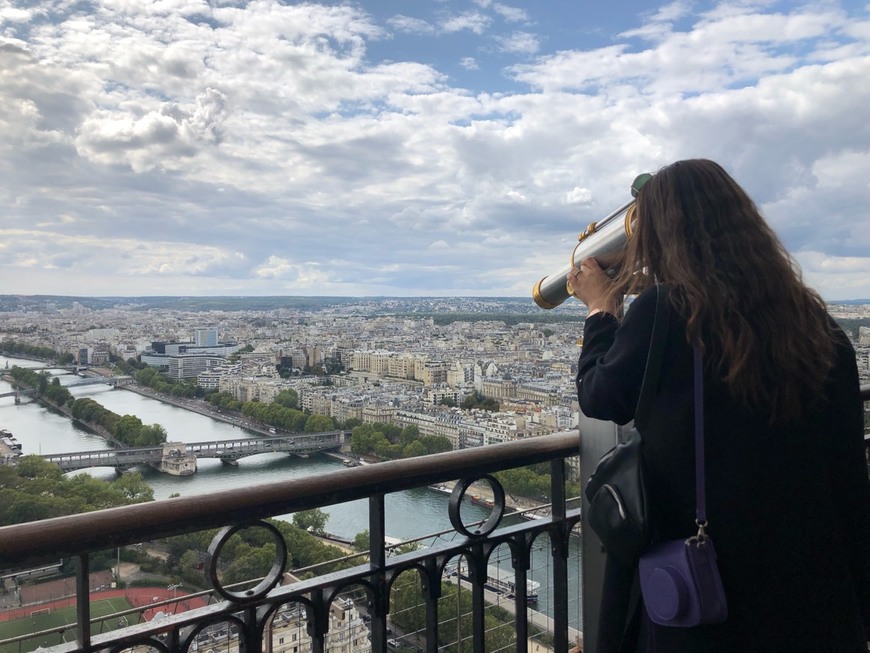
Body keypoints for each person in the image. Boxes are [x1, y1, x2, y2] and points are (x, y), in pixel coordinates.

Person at [569, 159, 870, 652]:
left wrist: (602, 310)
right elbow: (847, 474)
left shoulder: (666, 311)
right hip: (811, 585)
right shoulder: (817, 325)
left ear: (664, 237)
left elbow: (601, 395)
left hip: (710, 585)